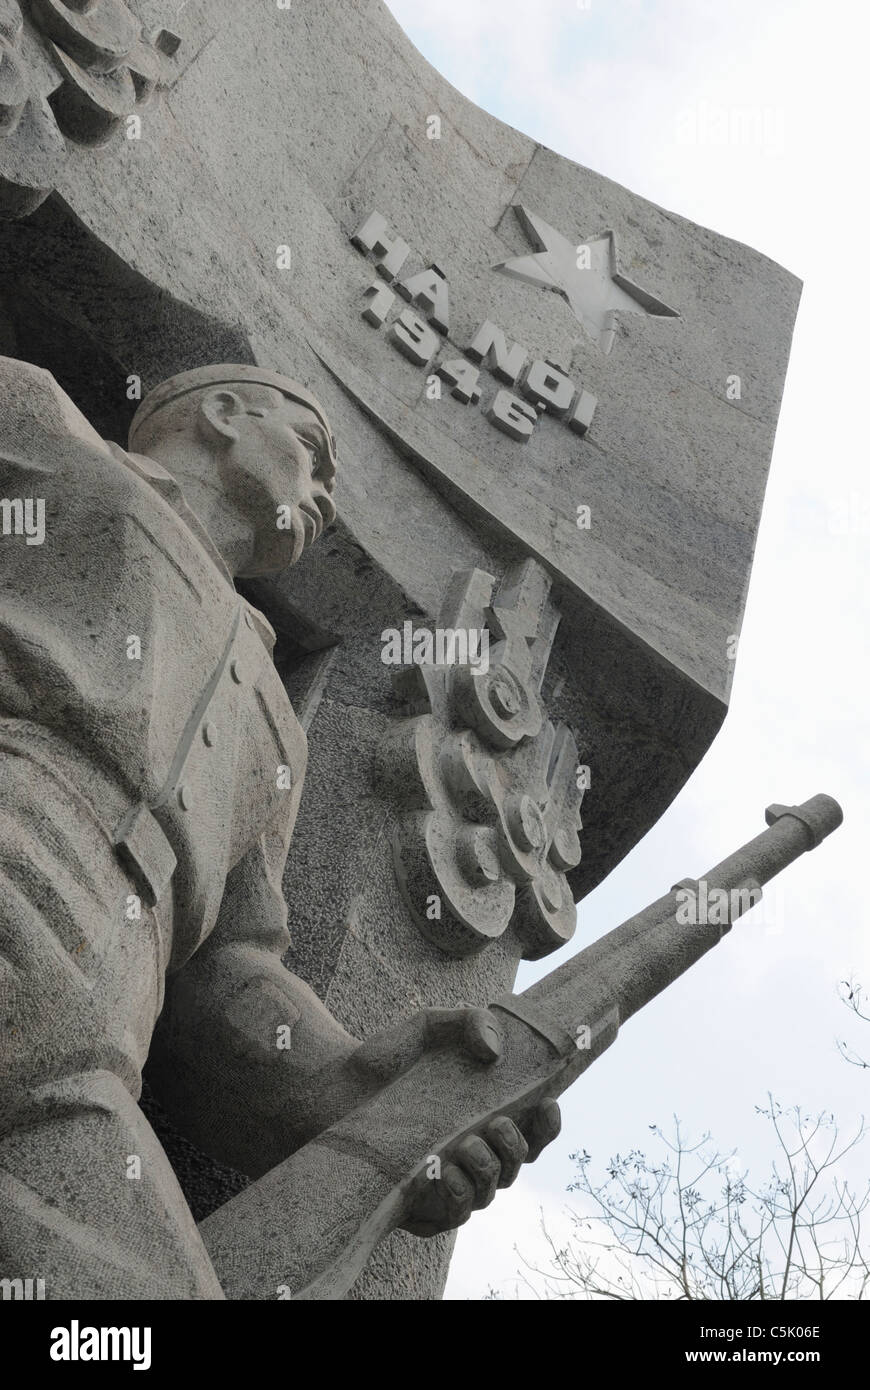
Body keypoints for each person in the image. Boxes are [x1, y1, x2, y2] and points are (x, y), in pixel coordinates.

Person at [0, 359, 559, 1299]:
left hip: (100, 1021)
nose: (328, 494)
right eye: (314, 452)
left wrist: (361, 1082)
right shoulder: (56, 446)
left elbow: (226, 974)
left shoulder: (274, 723)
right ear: (222, 412)